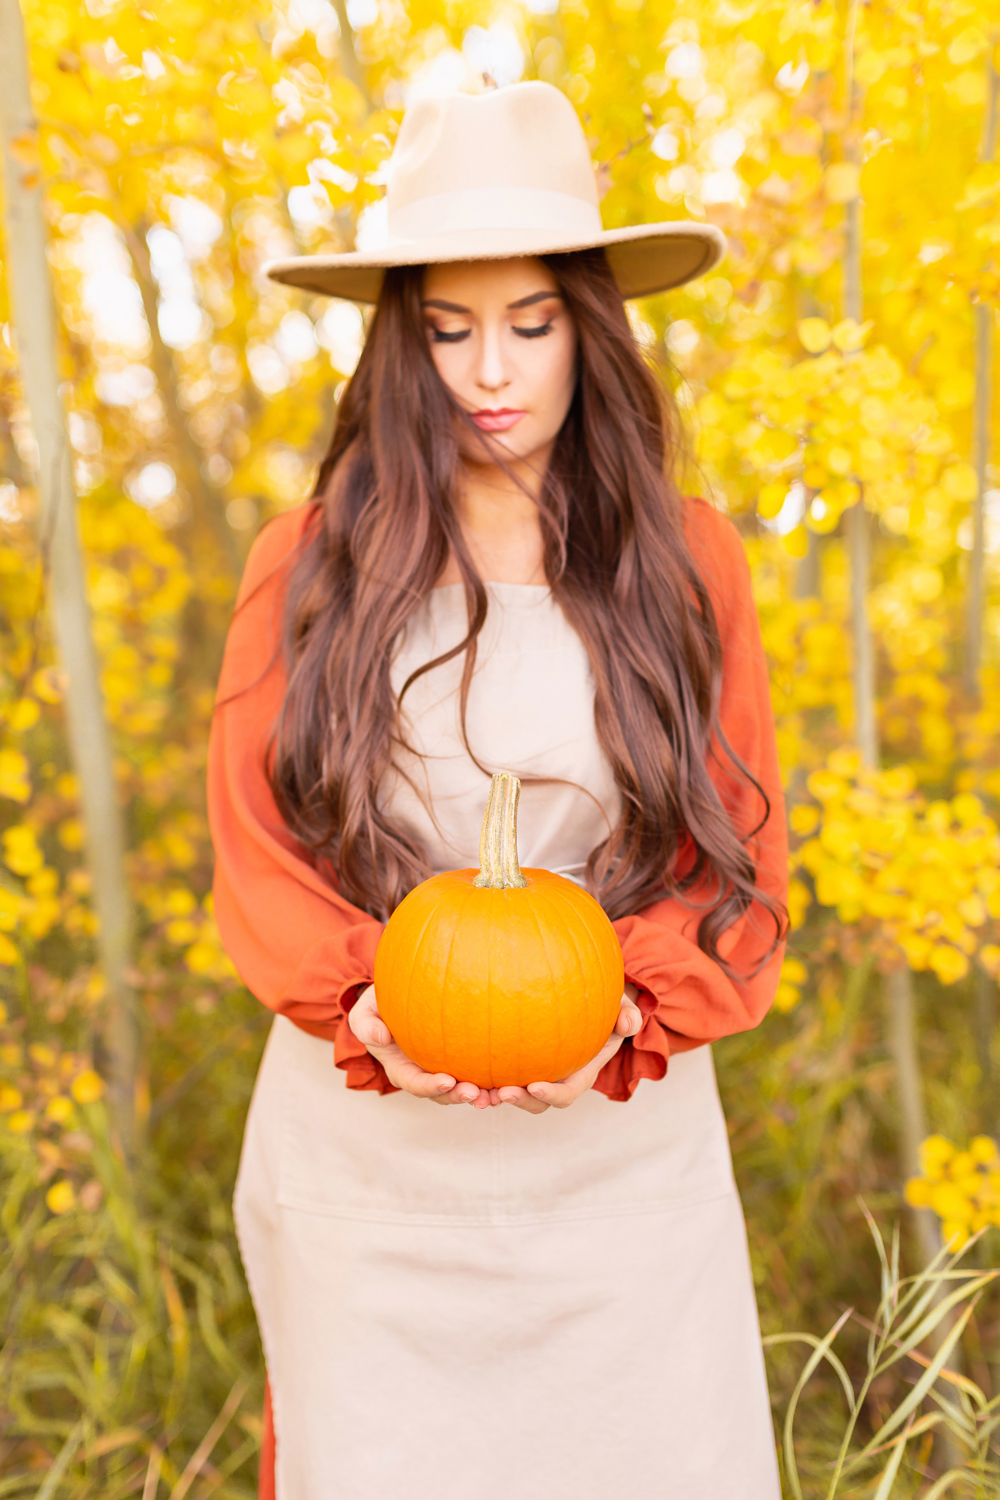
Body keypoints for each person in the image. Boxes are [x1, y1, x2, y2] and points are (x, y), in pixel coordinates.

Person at [208, 81, 788, 1500]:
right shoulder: (313, 559)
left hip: (622, 1164)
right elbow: (256, 846)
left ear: (590, 333)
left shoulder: (687, 561)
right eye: (449, 330)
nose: (492, 373)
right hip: (369, 1168)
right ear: (398, 348)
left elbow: (740, 860)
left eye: (531, 325)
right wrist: (366, 1006)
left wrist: (631, 1012)